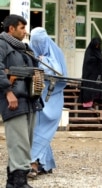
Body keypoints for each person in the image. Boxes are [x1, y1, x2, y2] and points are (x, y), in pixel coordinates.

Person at [0, 14, 44, 188]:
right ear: (11, 29)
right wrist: (8, 92)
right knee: (19, 142)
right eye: (22, 28)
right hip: (13, 101)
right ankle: (20, 183)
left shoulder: (24, 49)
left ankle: (12, 182)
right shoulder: (2, 45)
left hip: (29, 100)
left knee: (25, 142)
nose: (25, 32)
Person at [27, 27, 67, 178]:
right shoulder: (29, 53)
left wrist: (44, 63)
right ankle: (42, 163)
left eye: (41, 41)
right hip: (35, 96)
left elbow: (59, 73)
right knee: (36, 129)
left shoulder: (55, 53)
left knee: (42, 130)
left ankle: (34, 164)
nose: (38, 45)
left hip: (53, 98)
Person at [78, 37, 102, 110]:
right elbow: (87, 61)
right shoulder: (89, 51)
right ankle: (88, 104)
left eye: (98, 45)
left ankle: (96, 101)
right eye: (95, 45)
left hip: (97, 74)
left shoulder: (98, 51)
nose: (97, 46)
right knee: (89, 88)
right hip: (89, 74)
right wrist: (95, 59)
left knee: (97, 87)